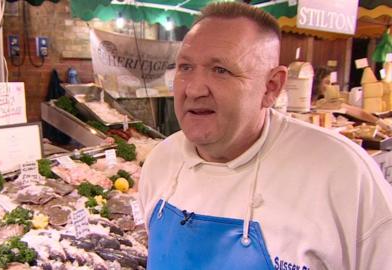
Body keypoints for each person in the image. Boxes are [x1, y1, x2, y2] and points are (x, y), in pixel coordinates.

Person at [139, 2, 392, 270]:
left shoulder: (342, 174)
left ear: (271, 87)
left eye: (220, 70)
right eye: (185, 67)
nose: (194, 89)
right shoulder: (160, 162)